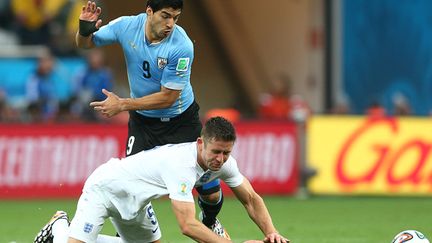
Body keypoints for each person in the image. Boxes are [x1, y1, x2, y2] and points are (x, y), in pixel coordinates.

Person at [75, 0, 227, 237]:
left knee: (208, 190)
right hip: (144, 124)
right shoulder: (126, 26)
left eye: (175, 17)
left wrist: (123, 104)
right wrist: (84, 29)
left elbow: (168, 97)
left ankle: (210, 220)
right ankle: (127, 235)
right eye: (165, 16)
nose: (170, 24)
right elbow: (86, 44)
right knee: (130, 187)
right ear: (149, 11)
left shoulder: (182, 45)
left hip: (181, 121)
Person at [33, 117, 290, 243]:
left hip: (138, 201)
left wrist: (272, 233)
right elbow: (188, 225)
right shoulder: (182, 165)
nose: (221, 159)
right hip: (105, 189)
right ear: (201, 143)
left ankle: (67, 231)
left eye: (226, 153)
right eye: (216, 152)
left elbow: (251, 199)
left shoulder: (224, 163)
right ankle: (60, 227)